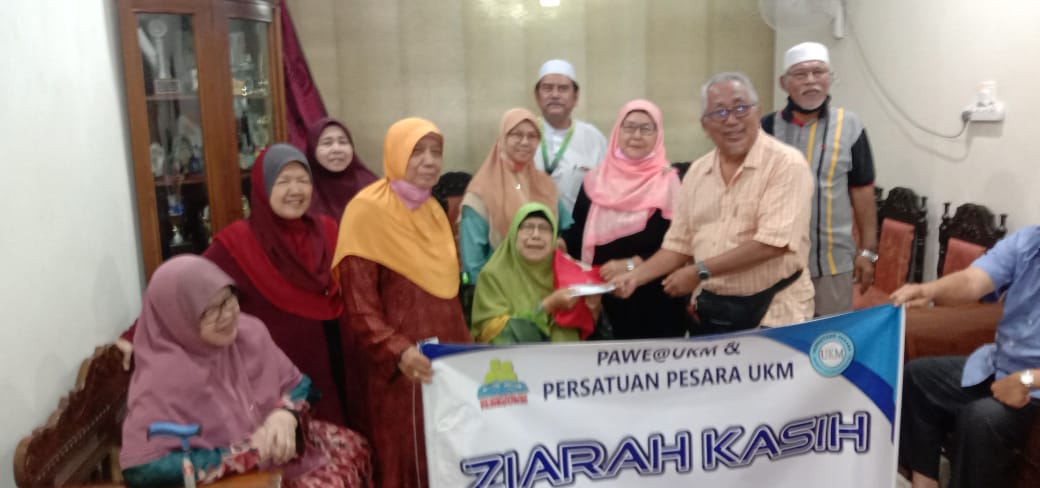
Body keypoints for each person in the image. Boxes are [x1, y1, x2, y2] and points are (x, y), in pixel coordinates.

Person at [119, 144, 351, 426]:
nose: (295, 190)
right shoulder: (238, 243)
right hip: (277, 376)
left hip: (339, 363)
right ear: (263, 187)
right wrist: (133, 335)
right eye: (283, 182)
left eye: (303, 180)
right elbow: (182, 287)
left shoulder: (328, 230)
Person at [119, 256, 370, 488]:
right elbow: (142, 470)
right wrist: (241, 453)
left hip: (278, 458)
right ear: (180, 320)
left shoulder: (248, 332)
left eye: (228, 299)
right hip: (233, 481)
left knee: (357, 446)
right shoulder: (162, 378)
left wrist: (284, 414)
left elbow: (300, 384)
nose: (228, 315)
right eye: (210, 311)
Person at [613, 72, 815, 332]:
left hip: (774, 315)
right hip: (713, 314)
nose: (731, 120)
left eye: (741, 108)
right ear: (705, 125)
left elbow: (772, 244)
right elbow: (679, 244)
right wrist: (634, 278)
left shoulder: (786, 164)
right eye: (719, 112)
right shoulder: (697, 172)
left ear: (758, 112)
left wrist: (699, 271)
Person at [333, 117, 471, 487]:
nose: (429, 161)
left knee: (448, 456)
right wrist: (398, 351)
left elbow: (447, 294)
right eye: (416, 151)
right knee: (406, 460)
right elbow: (359, 305)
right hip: (399, 372)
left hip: (444, 364)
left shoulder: (434, 211)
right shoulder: (367, 210)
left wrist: (466, 354)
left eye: (436, 152)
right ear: (396, 153)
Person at [892, 226, 1040, 488]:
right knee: (918, 377)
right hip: (1000, 364)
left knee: (981, 419)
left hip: (1033, 386)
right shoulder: (1029, 241)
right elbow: (973, 281)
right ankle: (924, 481)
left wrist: (1028, 380)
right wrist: (930, 290)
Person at [761, 41, 878, 317]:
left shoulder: (850, 126)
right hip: (776, 263)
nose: (811, 81)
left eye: (818, 72)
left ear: (830, 77)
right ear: (784, 83)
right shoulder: (766, 128)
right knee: (781, 336)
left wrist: (868, 252)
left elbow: (862, 192)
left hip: (833, 264)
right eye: (800, 74)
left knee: (830, 338)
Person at [562, 99, 693, 339]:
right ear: (617, 131)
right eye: (629, 127)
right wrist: (558, 243)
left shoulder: (669, 183)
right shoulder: (594, 180)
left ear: (658, 135)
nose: (636, 135)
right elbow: (577, 234)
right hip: (601, 300)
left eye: (646, 128)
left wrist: (632, 265)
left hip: (655, 302)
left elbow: (679, 245)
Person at [460, 108, 573, 281]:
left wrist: (559, 243)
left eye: (532, 136)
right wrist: (483, 290)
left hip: (545, 284)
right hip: (499, 287)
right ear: (503, 138)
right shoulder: (481, 192)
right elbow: (472, 263)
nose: (525, 142)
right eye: (517, 135)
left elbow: (566, 229)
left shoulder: (545, 185)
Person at [471, 202, 600, 343]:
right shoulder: (492, 276)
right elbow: (493, 337)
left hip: (569, 355)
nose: (536, 235)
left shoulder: (570, 270)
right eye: (528, 227)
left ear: (554, 237)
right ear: (514, 234)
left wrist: (593, 309)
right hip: (516, 357)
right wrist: (547, 306)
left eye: (544, 228)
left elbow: (596, 336)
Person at [532, 59, 608, 214]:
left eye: (563, 89)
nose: (555, 95)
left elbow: (606, 188)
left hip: (580, 226)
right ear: (537, 96)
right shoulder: (522, 132)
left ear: (575, 97)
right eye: (547, 88)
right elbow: (510, 184)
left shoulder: (593, 138)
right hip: (531, 225)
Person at [305, 117, 378, 221]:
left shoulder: (371, 186)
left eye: (343, 142)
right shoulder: (303, 187)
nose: (336, 149)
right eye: (327, 143)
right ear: (312, 149)